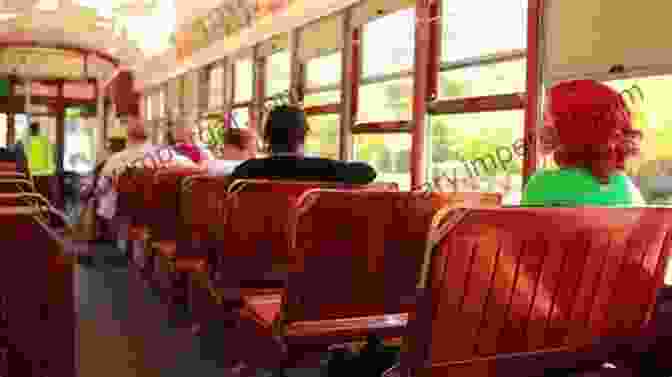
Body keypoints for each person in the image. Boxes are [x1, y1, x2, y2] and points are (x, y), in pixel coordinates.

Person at [521, 80, 645, 206]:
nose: (541, 126)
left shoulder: (541, 186)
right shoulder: (628, 189)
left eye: (547, 118)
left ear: (572, 126)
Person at [232, 105, 376, 184]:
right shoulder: (326, 168)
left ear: (267, 136)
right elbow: (368, 172)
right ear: (304, 134)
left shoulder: (247, 169)